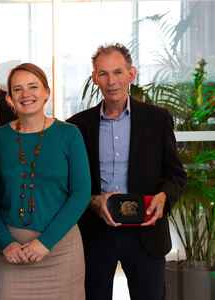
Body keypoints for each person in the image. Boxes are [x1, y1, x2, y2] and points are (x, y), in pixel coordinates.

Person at [67, 43, 186, 300]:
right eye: (104, 73)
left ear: (131, 74)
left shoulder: (158, 119)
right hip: (96, 233)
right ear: (94, 77)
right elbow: (69, 183)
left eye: (118, 72)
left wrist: (163, 198)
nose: (111, 81)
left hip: (147, 233)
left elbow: (176, 175)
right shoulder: (77, 126)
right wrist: (92, 201)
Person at [0, 63, 91, 299]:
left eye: (33, 86)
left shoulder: (70, 134)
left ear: (47, 92)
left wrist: (45, 242)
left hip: (60, 248)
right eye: (18, 89)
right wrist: (5, 243)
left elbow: (81, 193)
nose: (26, 94)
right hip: (9, 253)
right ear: (10, 98)